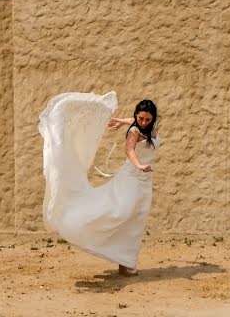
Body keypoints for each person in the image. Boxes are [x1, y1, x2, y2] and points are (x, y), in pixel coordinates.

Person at [38, 92, 160, 276]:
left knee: (136, 220)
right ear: (137, 116)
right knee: (120, 213)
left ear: (153, 119)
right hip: (132, 178)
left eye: (147, 119)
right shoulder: (134, 132)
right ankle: (84, 229)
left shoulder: (147, 127)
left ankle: (126, 262)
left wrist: (121, 120)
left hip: (144, 183)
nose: (142, 122)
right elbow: (130, 150)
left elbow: (135, 121)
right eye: (140, 118)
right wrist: (140, 165)